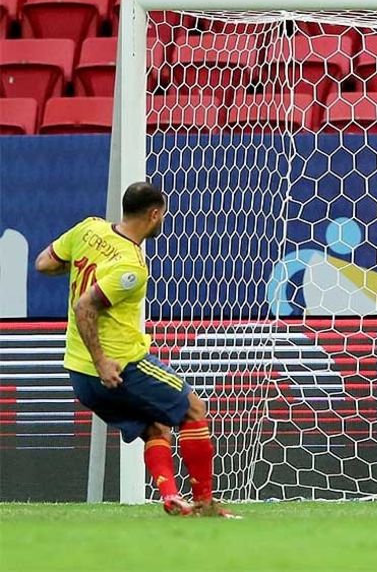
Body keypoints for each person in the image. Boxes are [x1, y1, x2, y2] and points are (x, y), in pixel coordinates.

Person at [35, 182, 237, 518]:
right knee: (194, 410)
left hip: (78, 374)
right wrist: (102, 362)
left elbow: (44, 263)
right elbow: (85, 307)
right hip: (119, 366)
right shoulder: (131, 265)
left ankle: (172, 497)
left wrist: (85, 269)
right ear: (154, 214)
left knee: (155, 427)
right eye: (163, 215)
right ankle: (205, 503)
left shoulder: (89, 228)